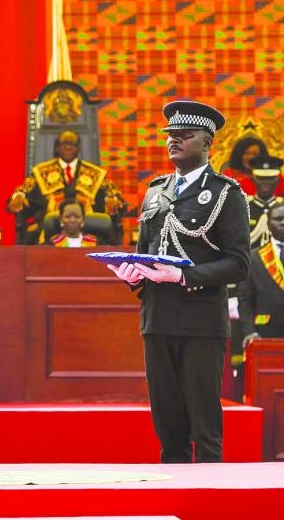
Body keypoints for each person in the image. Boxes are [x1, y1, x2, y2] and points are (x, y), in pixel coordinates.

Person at [107, 100, 250, 463]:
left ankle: (210, 499)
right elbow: (146, 252)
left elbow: (238, 264)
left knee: (203, 422)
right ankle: (175, 493)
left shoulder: (226, 193)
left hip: (201, 320)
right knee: (167, 419)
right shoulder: (156, 190)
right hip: (157, 318)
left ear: (207, 143)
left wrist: (184, 275)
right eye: (171, 135)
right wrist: (131, 274)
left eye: (185, 135)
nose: (174, 141)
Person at [7, 129, 126, 244]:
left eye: (72, 144)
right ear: (57, 147)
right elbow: (22, 191)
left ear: (78, 148)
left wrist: (112, 199)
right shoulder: (41, 172)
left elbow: (113, 193)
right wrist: (18, 196)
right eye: (64, 143)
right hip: (49, 233)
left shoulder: (94, 173)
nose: (68, 147)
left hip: (89, 232)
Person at [239, 202, 284, 344]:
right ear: (268, 223)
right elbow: (245, 299)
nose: (283, 222)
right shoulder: (253, 258)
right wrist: (250, 332)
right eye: (278, 219)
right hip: (265, 332)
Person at [247, 154, 284, 249]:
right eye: (261, 178)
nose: (265, 182)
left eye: (270, 178)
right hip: (249, 261)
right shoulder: (242, 208)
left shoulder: (282, 207)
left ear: (278, 180)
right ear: (253, 179)